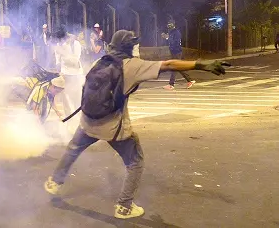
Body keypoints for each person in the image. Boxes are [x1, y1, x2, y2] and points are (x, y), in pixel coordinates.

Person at [44, 30, 229, 219]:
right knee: (135, 162)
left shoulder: (99, 62)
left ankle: (54, 182)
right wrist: (201, 64)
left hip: (88, 120)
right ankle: (124, 207)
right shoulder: (131, 66)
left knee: (73, 148)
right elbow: (169, 64)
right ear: (128, 47)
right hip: (112, 125)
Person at [52, 28, 84, 114]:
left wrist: (63, 53)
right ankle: (69, 119)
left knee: (77, 98)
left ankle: (78, 117)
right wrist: (58, 67)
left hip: (76, 74)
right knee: (65, 99)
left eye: (61, 40)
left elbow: (75, 60)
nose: (59, 42)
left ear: (65, 38)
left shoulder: (75, 44)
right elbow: (57, 61)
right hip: (65, 74)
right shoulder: (58, 45)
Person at [162, 21, 195, 90]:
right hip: (174, 52)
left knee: (174, 67)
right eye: (168, 25)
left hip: (176, 52)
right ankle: (190, 80)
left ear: (173, 25)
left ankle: (171, 84)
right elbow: (171, 42)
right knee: (178, 67)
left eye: (170, 25)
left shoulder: (176, 32)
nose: (168, 26)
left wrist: (167, 38)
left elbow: (175, 42)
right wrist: (167, 38)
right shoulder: (172, 32)